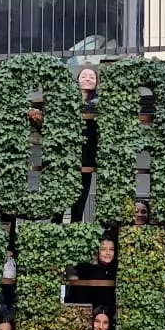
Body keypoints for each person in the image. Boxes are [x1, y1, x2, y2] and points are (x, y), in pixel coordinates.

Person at [73, 64, 100, 221]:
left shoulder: (98, 102)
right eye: (84, 76)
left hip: (87, 157)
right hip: (68, 157)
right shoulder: (66, 102)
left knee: (79, 203)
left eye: (92, 77)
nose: (88, 79)